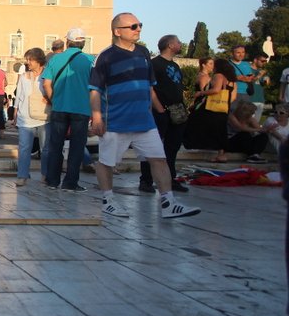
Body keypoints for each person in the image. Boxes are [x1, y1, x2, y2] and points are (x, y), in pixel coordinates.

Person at [90, 13, 200, 219]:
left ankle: (168, 202)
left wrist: (157, 110)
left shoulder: (143, 53)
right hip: (115, 120)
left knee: (159, 159)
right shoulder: (105, 57)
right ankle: (108, 200)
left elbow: (149, 87)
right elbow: (95, 89)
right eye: (132, 26)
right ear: (117, 31)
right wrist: (96, 117)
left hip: (144, 121)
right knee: (107, 162)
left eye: (139, 25)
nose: (138, 28)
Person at [42, 28, 93, 192]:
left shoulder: (55, 60)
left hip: (59, 107)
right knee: (77, 147)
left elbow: (46, 84)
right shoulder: (90, 60)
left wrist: (53, 99)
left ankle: (52, 181)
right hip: (82, 108)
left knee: (55, 145)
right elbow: (95, 88)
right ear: (83, 43)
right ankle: (70, 182)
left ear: (68, 42)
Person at [139, 34, 190, 194]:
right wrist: (159, 108)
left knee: (172, 146)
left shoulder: (175, 66)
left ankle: (170, 179)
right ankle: (146, 180)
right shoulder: (155, 64)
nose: (180, 44)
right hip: (160, 111)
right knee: (152, 147)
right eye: (178, 42)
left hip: (177, 111)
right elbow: (149, 88)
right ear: (169, 45)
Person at [184, 57, 237, 162]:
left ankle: (194, 143)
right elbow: (233, 97)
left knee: (193, 120)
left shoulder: (218, 76)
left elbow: (216, 89)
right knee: (221, 130)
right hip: (223, 108)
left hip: (212, 108)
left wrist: (201, 93)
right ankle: (222, 154)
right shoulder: (232, 81)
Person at [13, 48, 49, 187]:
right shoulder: (23, 76)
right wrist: (15, 112)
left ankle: (45, 174)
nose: (27, 63)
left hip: (45, 116)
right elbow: (19, 95)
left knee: (45, 148)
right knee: (24, 148)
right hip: (25, 116)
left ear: (38, 60)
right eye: (27, 60)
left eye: (30, 60)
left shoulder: (48, 74)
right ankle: (22, 175)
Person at [247, 52, 270, 121]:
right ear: (255, 60)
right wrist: (259, 75)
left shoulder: (262, 71)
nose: (264, 63)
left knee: (256, 123)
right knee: (248, 122)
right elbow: (249, 81)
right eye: (262, 61)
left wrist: (267, 79)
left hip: (260, 100)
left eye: (265, 61)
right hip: (250, 100)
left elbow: (267, 83)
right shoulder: (247, 69)